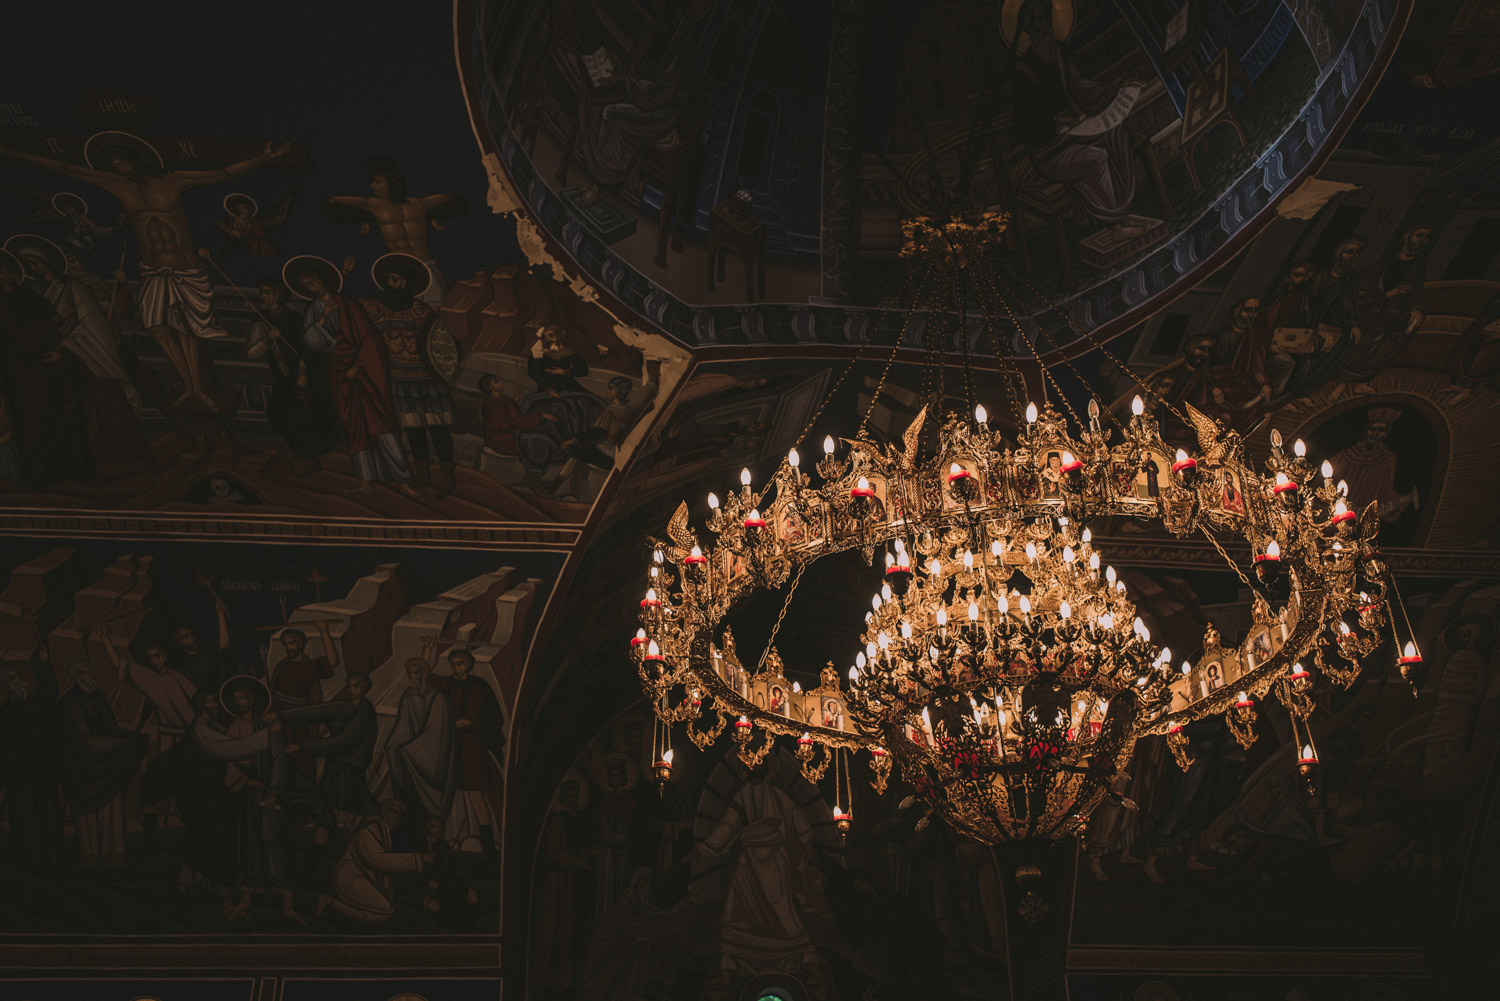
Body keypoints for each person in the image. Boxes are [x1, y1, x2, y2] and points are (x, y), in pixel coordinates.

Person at [0, 132, 292, 408]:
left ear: (136, 160)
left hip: (186, 269)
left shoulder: (172, 181)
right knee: (156, 329)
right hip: (152, 270)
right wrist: (12, 152)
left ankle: (197, 388)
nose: (121, 169)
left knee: (186, 329)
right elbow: (63, 167)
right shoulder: (117, 185)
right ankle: (188, 385)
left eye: (123, 163)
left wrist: (263, 158)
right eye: (115, 166)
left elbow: (222, 173)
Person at [284, 255, 417, 496]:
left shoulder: (348, 304)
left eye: (312, 280)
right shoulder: (313, 309)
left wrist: (359, 365)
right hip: (338, 371)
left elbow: (368, 337)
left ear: (321, 279)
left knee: (381, 422)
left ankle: (403, 480)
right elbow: (312, 341)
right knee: (355, 426)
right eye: (306, 285)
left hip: (363, 369)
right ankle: (366, 480)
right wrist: (323, 318)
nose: (311, 286)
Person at [359, 253, 458, 496]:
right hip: (399, 379)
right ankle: (422, 475)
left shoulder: (420, 311)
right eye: (388, 279)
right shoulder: (375, 309)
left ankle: (447, 476)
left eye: (396, 280)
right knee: (413, 430)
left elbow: (440, 342)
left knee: (438, 429)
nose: (391, 284)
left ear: (406, 283)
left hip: (428, 379)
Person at [0, 249, 94, 486]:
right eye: (0, 273)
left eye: (8, 270)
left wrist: (60, 345)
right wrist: (56, 321)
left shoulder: (28, 295)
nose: (6, 276)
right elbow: (20, 338)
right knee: (32, 421)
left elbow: (47, 319)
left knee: (59, 415)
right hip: (22, 372)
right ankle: (37, 474)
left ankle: (70, 471)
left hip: (48, 367)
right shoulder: (3, 304)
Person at [324, 157, 465, 305]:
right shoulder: (411, 204)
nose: (372, 186)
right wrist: (362, 219)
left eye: (378, 181)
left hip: (427, 267)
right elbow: (334, 200)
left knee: (435, 309)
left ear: (391, 182)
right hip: (401, 273)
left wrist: (433, 218)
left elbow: (447, 197)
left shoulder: (413, 204)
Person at [58, 659, 147, 867]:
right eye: (82, 673)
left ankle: (113, 857)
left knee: (111, 809)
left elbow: (110, 727)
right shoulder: (69, 703)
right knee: (89, 817)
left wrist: (131, 740)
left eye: (89, 673)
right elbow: (80, 739)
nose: (88, 677)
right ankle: (90, 858)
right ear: (74, 678)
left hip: (106, 762)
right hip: (82, 769)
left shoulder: (97, 696)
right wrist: (116, 746)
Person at [245, 279, 340, 473]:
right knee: (276, 412)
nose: (264, 296)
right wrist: (267, 339)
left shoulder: (292, 317)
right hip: (282, 376)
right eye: (262, 292)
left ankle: (311, 455)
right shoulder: (259, 319)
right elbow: (251, 353)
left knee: (304, 414)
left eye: (268, 292)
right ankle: (299, 449)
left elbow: (307, 346)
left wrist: (303, 371)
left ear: (278, 294)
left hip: (301, 374)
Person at [277, 672, 379, 827]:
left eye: (356, 686)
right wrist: (281, 716)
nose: (351, 690)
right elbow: (318, 711)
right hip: (336, 764)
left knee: (347, 806)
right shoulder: (347, 706)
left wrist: (301, 746)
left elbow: (341, 741)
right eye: (349, 686)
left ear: (363, 688)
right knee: (329, 806)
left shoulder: (365, 711)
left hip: (349, 768)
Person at [316, 799, 431, 924]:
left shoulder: (384, 832)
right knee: (385, 911)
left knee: (383, 913)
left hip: (364, 879)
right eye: (393, 811)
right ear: (384, 812)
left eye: (399, 814)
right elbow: (377, 860)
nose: (396, 816)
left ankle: (331, 903)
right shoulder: (368, 830)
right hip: (349, 879)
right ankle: (330, 904)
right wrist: (419, 859)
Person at [0, 651, 65, 870]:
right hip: (21, 779)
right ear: (5, 685)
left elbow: (50, 691)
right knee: (27, 823)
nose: (17, 681)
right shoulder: (5, 714)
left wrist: (43, 663)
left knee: (49, 821)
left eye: (18, 676)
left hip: (42, 773)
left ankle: (52, 865)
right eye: (11, 679)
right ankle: (31, 864)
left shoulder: (36, 702)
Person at [386, 639, 456, 836]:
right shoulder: (408, 697)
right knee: (393, 748)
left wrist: (410, 750)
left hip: (430, 760)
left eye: (416, 673)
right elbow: (403, 727)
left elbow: (437, 732)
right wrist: (393, 746)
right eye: (409, 674)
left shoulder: (437, 698)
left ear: (424, 674)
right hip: (411, 756)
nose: (412, 677)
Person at [440, 649, 505, 856]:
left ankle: (488, 849)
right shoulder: (449, 684)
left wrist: (444, 726)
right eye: (452, 664)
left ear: (468, 665)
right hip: (453, 743)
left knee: (476, 794)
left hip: (470, 745)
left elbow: (470, 718)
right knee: (445, 791)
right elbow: (425, 677)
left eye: (459, 663)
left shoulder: (476, 687)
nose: (455, 668)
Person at [268, 622, 339, 777]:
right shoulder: (284, 664)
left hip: (297, 723)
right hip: (277, 720)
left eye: (292, 643)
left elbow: (333, 662)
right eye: (285, 644)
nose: (288, 648)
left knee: (300, 763)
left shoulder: (307, 667)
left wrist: (324, 630)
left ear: (300, 644)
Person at [1330, 407, 1418, 526]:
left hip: (1363, 511)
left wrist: (1399, 501)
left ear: (1385, 434)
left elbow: (1386, 487)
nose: (1375, 434)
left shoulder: (1388, 458)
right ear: (1365, 431)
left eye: (1381, 430)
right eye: (1372, 429)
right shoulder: (1346, 454)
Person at [478, 373, 556, 457]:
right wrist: (540, 416)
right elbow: (518, 421)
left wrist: (515, 400)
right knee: (537, 442)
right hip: (504, 440)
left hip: (491, 439)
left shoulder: (486, 403)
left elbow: (502, 413)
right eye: (496, 382)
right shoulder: (506, 402)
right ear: (490, 387)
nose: (500, 383)